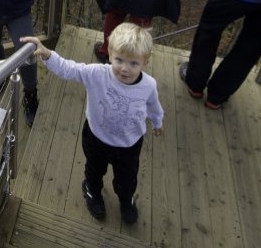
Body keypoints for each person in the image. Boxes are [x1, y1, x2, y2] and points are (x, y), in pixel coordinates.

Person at [23, 24, 163, 224]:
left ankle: (126, 199)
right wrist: (47, 55)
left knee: (127, 178)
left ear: (145, 62)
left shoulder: (148, 85)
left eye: (133, 63)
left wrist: (157, 121)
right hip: (97, 137)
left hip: (129, 144)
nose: (125, 68)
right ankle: (92, 190)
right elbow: (69, 69)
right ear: (110, 54)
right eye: (119, 60)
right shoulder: (98, 73)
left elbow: (153, 105)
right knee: (94, 169)